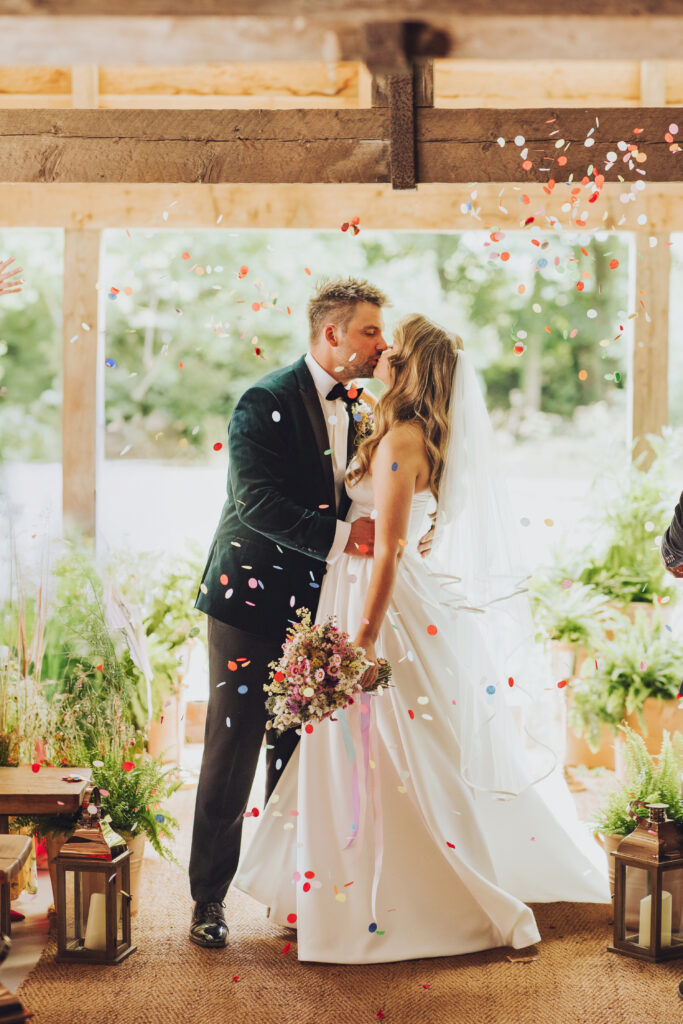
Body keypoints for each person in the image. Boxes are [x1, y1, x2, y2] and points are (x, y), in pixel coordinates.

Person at [234, 313, 611, 963]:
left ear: (408, 366)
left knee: (388, 749)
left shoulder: (401, 439)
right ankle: (326, 888)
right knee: (367, 747)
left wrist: (361, 639)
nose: (379, 353)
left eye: (391, 348)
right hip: (356, 589)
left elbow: (385, 553)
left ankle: (409, 893)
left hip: (373, 601)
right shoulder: (396, 429)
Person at [188, 279, 434, 948]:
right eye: (368, 332)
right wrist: (341, 540)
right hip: (247, 602)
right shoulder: (262, 400)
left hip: (322, 604)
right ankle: (206, 901)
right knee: (231, 747)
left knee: (299, 755)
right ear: (331, 335)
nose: (381, 344)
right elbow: (253, 503)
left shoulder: (366, 407)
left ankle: (289, 900)